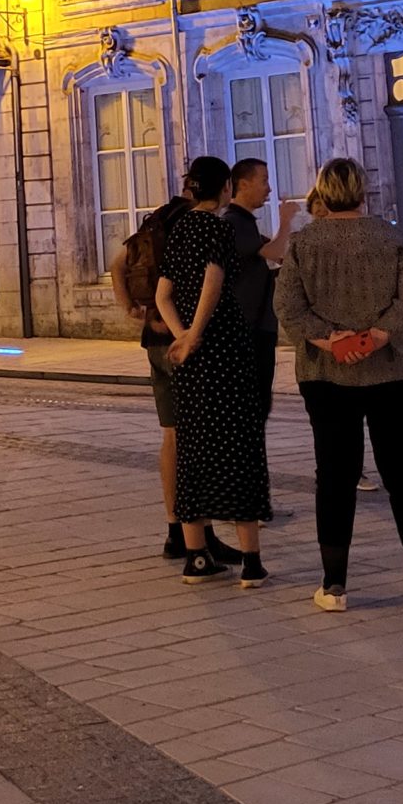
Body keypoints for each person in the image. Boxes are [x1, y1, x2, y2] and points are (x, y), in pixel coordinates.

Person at [273, 156, 403, 612]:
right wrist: (377, 336)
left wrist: (332, 341)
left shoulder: (303, 243)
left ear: (323, 194)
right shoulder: (393, 237)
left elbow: (287, 306)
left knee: (334, 475)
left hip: (327, 375)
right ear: (362, 192)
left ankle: (334, 586)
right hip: (394, 372)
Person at [108, 164, 236, 566]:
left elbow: (117, 264)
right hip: (185, 344)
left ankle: (176, 532)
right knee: (197, 442)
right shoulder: (198, 224)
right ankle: (201, 538)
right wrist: (189, 335)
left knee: (173, 437)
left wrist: (133, 310)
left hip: (157, 342)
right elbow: (211, 282)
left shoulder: (158, 218)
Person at [156, 156, 272, 586]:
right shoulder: (219, 228)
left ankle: (197, 558)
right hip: (225, 348)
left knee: (194, 448)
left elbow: (163, 294)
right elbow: (214, 281)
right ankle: (252, 562)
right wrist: (197, 333)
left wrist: (181, 336)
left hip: (190, 359)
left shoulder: (180, 229)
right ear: (225, 188)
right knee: (239, 446)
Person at [221, 158, 298, 424]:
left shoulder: (245, 223)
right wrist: (286, 221)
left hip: (256, 326)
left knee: (257, 406)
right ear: (243, 185)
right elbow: (274, 252)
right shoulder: (234, 222)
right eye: (264, 181)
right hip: (248, 330)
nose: (269, 189)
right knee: (251, 408)